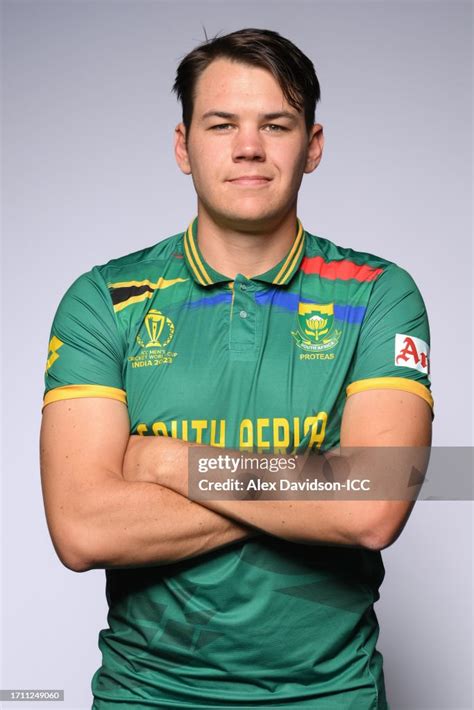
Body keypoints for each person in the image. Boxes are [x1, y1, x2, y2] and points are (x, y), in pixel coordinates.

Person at [40, 27, 433, 710]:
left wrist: (173, 466)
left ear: (311, 146)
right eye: (221, 124)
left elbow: (375, 504)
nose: (248, 147)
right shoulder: (105, 299)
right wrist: (316, 479)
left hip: (331, 697)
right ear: (182, 145)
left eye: (275, 124)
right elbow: (81, 528)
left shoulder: (377, 293)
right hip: (147, 696)